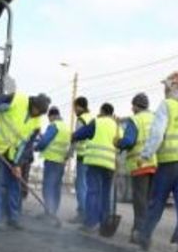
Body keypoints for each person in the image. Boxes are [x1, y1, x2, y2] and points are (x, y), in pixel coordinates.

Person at [136, 71, 178, 252]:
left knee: (156, 202)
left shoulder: (166, 105)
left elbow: (157, 134)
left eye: (166, 85)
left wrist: (146, 155)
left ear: (172, 86)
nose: (164, 89)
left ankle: (145, 237)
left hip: (169, 161)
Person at [0, 91, 51, 229]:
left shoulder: (36, 123)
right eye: (36, 111)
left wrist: (18, 164)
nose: (36, 114)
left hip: (12, 153)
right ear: (33, 104)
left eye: (40, 113)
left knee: (15, 182)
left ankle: (13, 218)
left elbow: (27, 145)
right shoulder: (16, 99)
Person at [71, 102, 127, 234]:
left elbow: (79, 134)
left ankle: (90, 223)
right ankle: (104, 223)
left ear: (102, 111)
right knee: (105, 194)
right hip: (110, 165)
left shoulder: (97, 122)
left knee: (93, 192)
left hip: (95, 162)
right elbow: (123, 144)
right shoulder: (117, 126)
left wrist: (73, 136)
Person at [118, 92, 157, 244]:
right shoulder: (154, 118)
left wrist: (118, 143)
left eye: (132, 105)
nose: (131, 108)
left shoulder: (135, 119)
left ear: (135, 106)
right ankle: (139, 230)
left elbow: (128, 141)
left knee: (140, 201)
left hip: (140, 165)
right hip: (153, 164)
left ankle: (141, 233)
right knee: (147, 201)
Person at [34, 106, 71, 217]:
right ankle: (53, 211)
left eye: (49, 118)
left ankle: (48, 212)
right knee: (56, 187)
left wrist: (37, 147)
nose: (49, 120)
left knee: (48, 187)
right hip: (61, 162)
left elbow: (45, 141)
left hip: (51, 161)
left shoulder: (54, 126)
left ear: (53, 116)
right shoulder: (66, 128)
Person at [71, 96, 93, 224]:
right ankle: (88, 213)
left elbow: (76, 137)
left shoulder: (81, 119)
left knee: (80, 185)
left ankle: (82, 213)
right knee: (88, 186)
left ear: (80, 106)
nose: (74, 110)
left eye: (75, 107)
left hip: (82, 156)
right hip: (91, 156)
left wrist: (68, 154)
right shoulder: (92, 118)